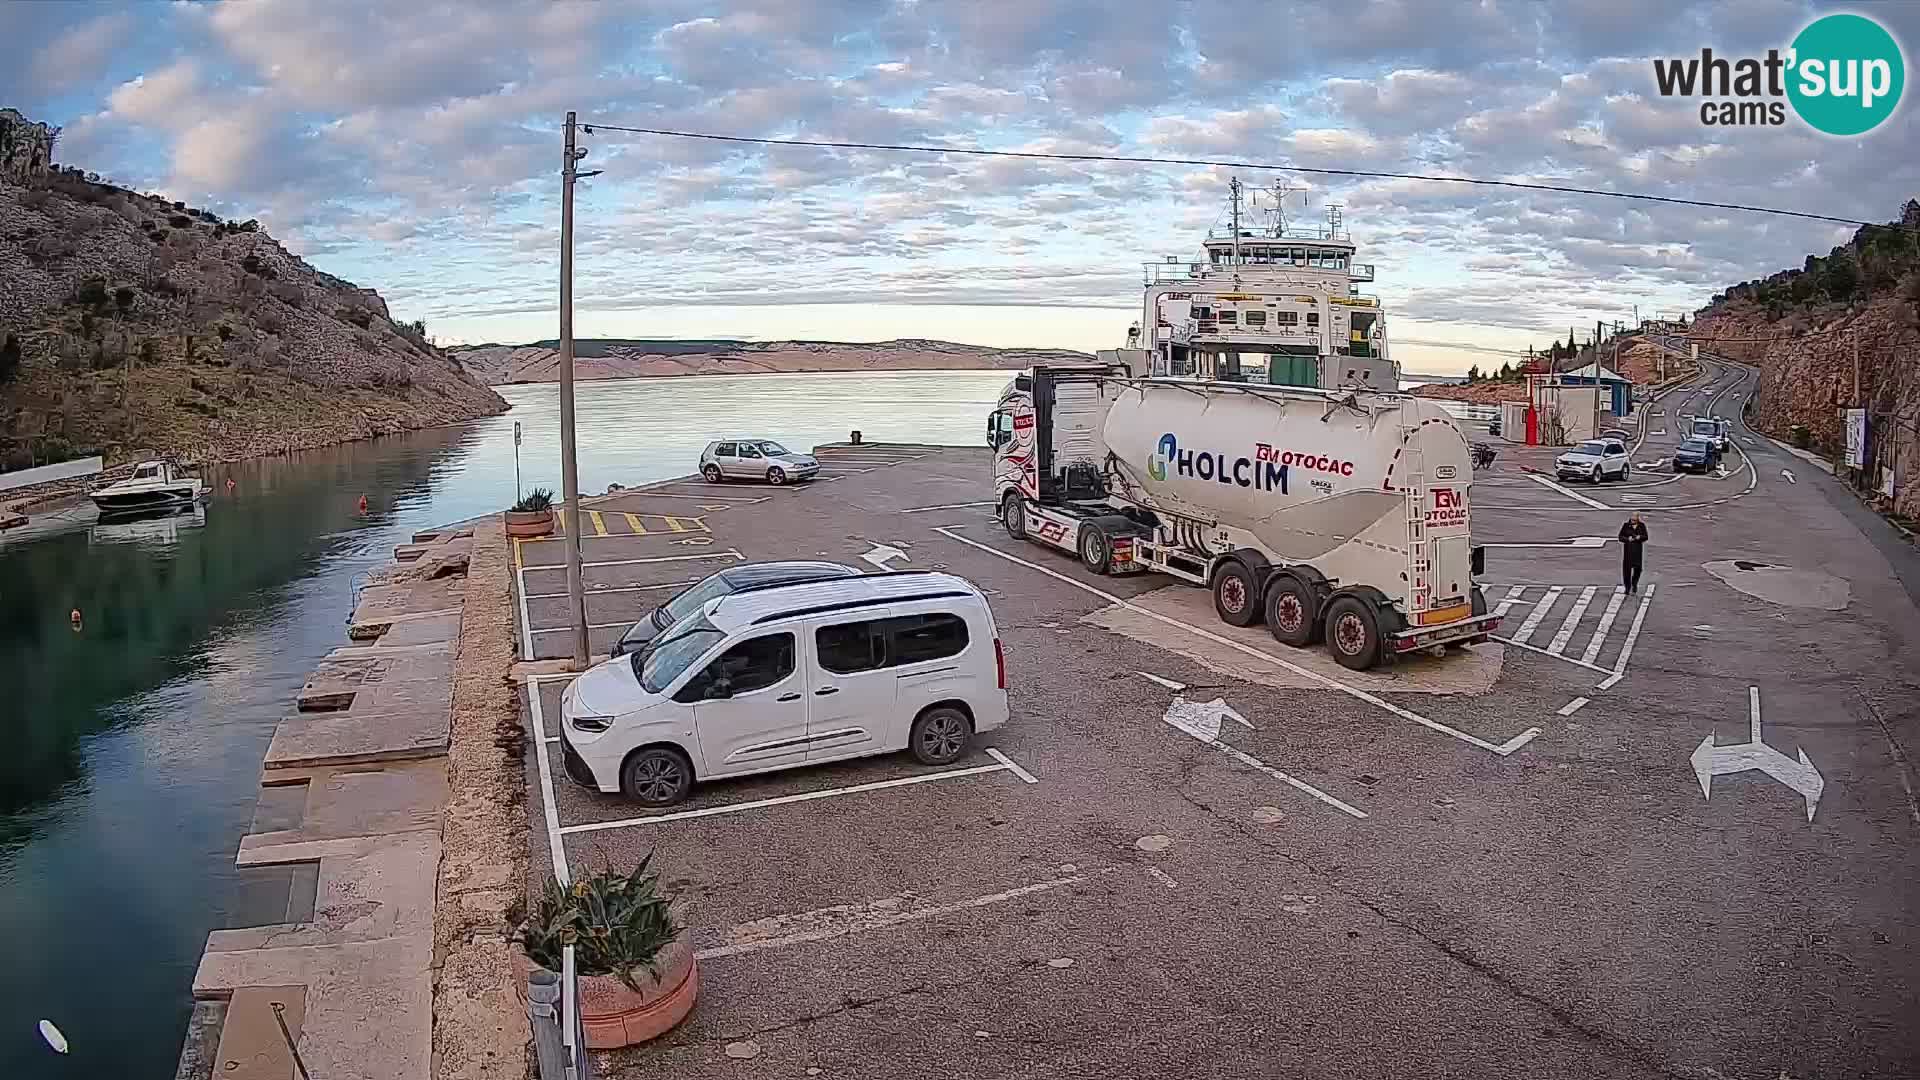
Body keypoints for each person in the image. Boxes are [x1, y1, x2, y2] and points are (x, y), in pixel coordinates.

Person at [1618, 513, 1649, 593]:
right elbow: (1620, 537)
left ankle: (1634, 583)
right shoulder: (1626, 525)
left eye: (1635, 520)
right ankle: (1627, 587)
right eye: (1632, 519)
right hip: (1628, 551)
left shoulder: (1641, 526)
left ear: (1638, 519)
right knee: (1626, 571)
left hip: (1637, 551)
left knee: (1638, 569)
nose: (1633, 521)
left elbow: (1645, 536)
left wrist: (1640, 537)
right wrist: (1627, 539)